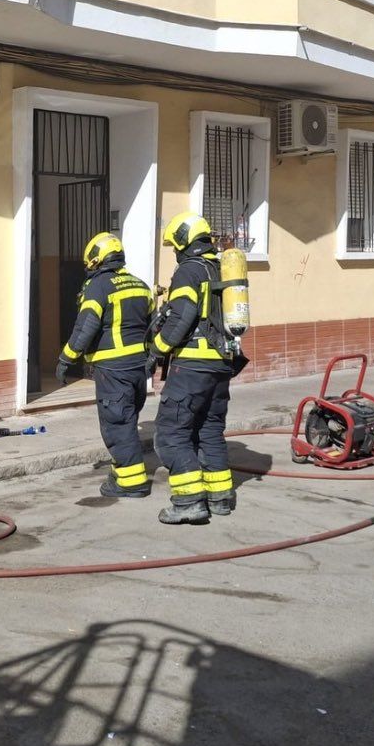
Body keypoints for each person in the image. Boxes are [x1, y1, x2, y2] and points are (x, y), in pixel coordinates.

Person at [148, 212, 242, 525]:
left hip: (192, 366)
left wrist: (156, 351)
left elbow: (182, 317)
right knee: (210, 430)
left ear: (185, 242)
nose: (175, 252)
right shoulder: (218, 267)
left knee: (171, 434)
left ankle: (188, 502)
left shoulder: (189, 270)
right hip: (221, 364)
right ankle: (221, 498)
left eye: (175, 246)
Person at [56, 232, 154, 499]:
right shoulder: (140, 284)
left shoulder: (98, 286)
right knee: (128, 420)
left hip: (113, 368)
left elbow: (86, 326)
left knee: (117, 424)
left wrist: (66, 358)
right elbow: (153, 326)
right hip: (139, 369)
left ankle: (131, 483)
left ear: (95, 260)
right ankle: (121, 471)